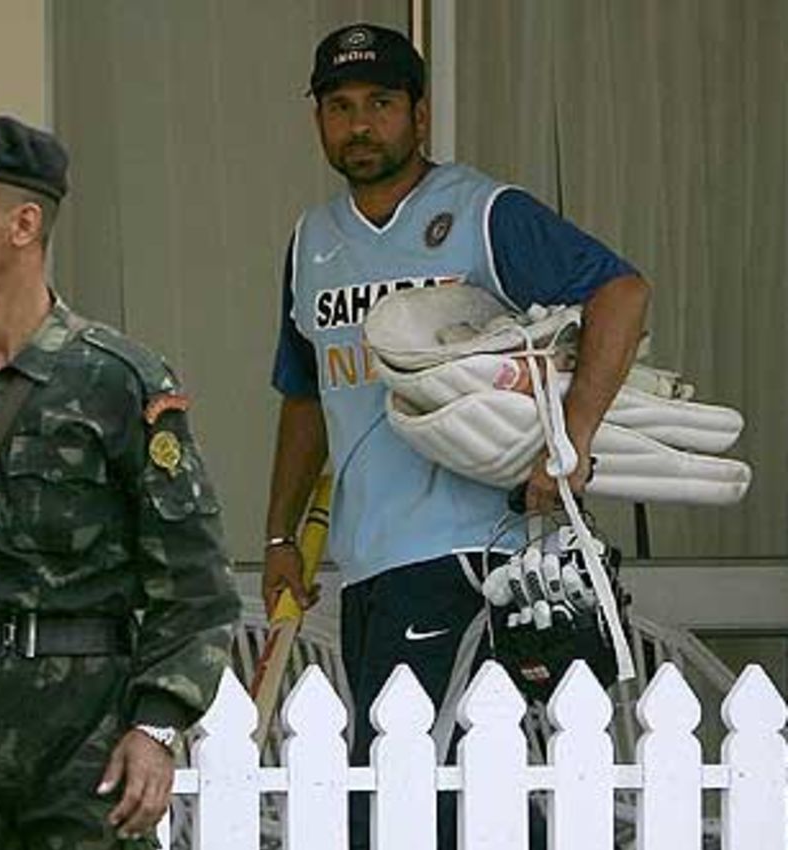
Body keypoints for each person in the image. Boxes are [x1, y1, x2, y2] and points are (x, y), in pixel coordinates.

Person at [260, 24, 651, 849]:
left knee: (416, 804)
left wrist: (570, 439)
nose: (360, 124)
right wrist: (278, 535)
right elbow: (305, 396)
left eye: (380, 104)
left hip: (469, 554)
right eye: (340, 107)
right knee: (455, 797)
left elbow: (621, 290)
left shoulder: (483, 213)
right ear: (318, 120)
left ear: (420, 113)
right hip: (369, 561)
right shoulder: (312, 243)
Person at [0, 115, 241, 848]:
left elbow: (196, 584)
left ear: (24, 225)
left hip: (86, 739)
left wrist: (157, 725)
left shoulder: (118, 380)